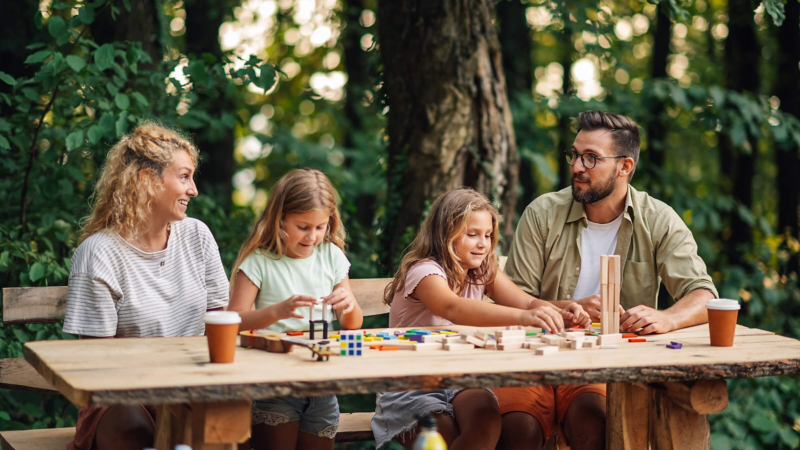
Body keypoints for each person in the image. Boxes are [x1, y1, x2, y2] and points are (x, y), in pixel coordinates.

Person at [496, 110, 718, 450]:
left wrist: (666, 318)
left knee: (595, 427)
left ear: (625, 166)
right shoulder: (542, 213)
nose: (576, 167)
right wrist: (567, 308)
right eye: (574, 154)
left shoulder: (658, 220)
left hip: (599, 368)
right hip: (533, 358)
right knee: (519, 430)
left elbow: (704, 295)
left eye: (591, 158)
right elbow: (512, 299)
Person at [371, 188, 590, 450]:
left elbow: (527, 302)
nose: (483, 244)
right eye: (472, 234)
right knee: (442, 436)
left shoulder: (481, 271)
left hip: (462, 380)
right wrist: (526, 318)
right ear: (444, 234)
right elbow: (452, 307)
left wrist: (561, 313)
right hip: (413, 385)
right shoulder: (425, 272)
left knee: (487, 419)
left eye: (487, 235)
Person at [62, 123, 230, 450]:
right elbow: (99, 368)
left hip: (191, 389)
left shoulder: (198, 237)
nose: (193, 189)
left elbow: (218, 330)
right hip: (123, 398)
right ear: (146, 180)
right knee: (134, 430)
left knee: (228, 422)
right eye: (183, 177)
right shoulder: (99, 253)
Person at [227, 168, 364, 450]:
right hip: (275, 383)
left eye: (320, 227)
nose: (312, 236)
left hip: (323, 383)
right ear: (279, 219)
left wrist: (349, 305)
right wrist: (277, 312)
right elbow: (233, 321)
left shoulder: (332, 256)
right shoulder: (260, 261)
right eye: (303, 227)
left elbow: (352, 324)